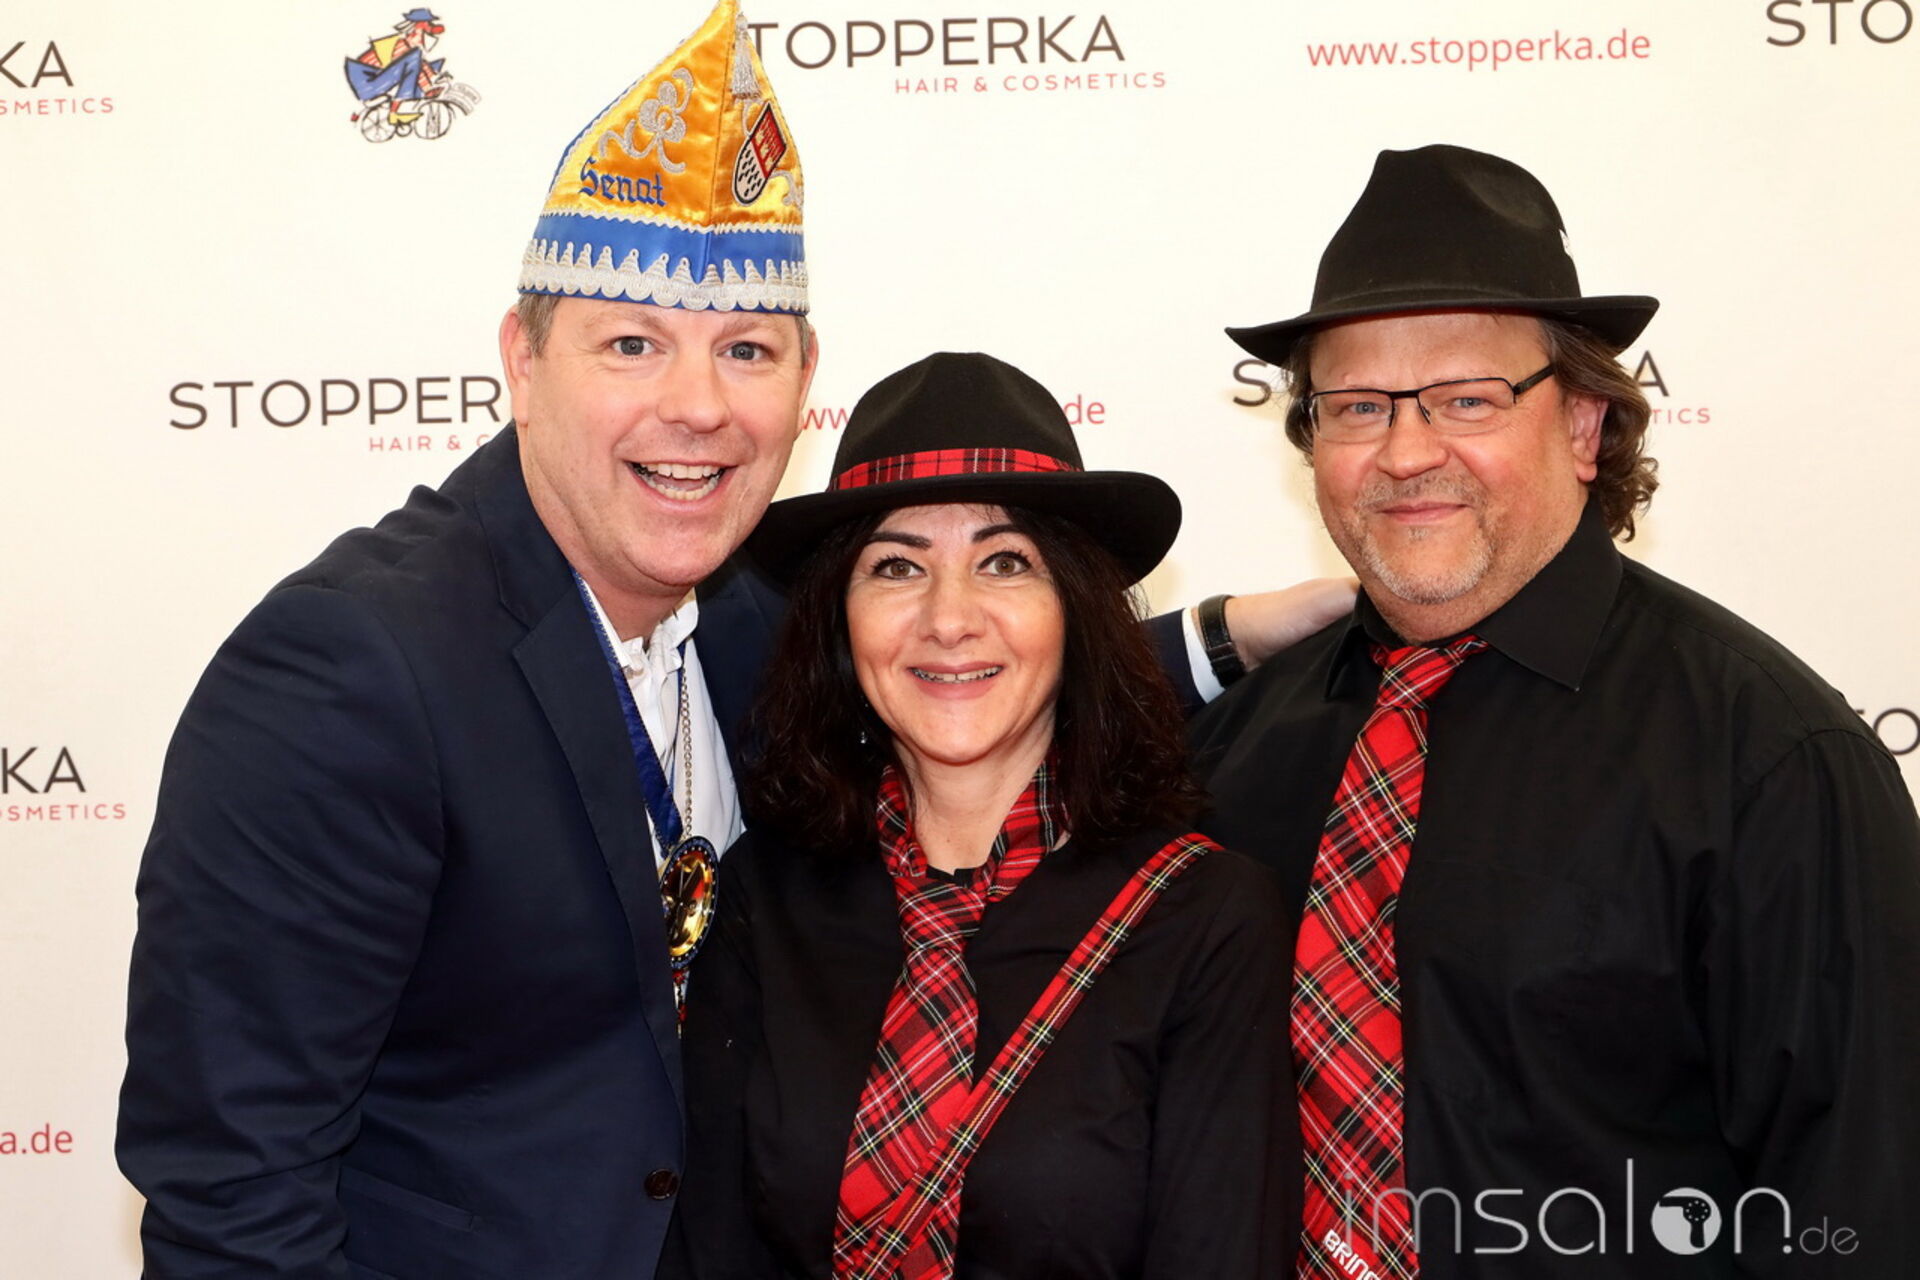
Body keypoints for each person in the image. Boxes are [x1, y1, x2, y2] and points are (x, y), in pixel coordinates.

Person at [116, 4, 1336, 1273]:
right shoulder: (352, 670)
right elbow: (233, 1195)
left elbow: (957, 680)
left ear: (804, 379)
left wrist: (1222, 640)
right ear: (522, 359)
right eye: (632, 343)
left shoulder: (747, 618)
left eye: (745, 349)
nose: (698, 406)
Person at [1193, 143, 1920, 1279]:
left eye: (1467, 399)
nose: (1407, 452)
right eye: (1359, 406)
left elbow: (1863, 1208)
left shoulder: (1768, 757)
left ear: (1583, 425)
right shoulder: (1239, 751)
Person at [668, 352, 1300, 1279]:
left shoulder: (1205, 916)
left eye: (1005, 563)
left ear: (1074, 609)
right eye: (896, 567)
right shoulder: (767, 895)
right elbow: (711, 1250)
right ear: (839, 620)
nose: (949, 618)